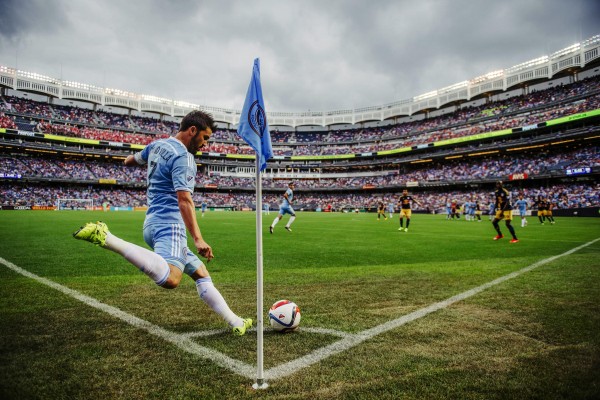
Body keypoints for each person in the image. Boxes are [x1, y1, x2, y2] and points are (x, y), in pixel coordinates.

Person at [73, 110, 252, 336]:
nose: (206, 144)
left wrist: (125, 161)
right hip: (170, 224)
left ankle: (235, 321)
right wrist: (198, 238)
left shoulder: (157, 145)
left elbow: (134, 159)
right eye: (205, 138)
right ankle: (107, 238)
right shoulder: (184, 158)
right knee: (172, 278)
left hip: (152, 223)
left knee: (201, 273)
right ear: (192, 130)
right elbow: (184, 200)